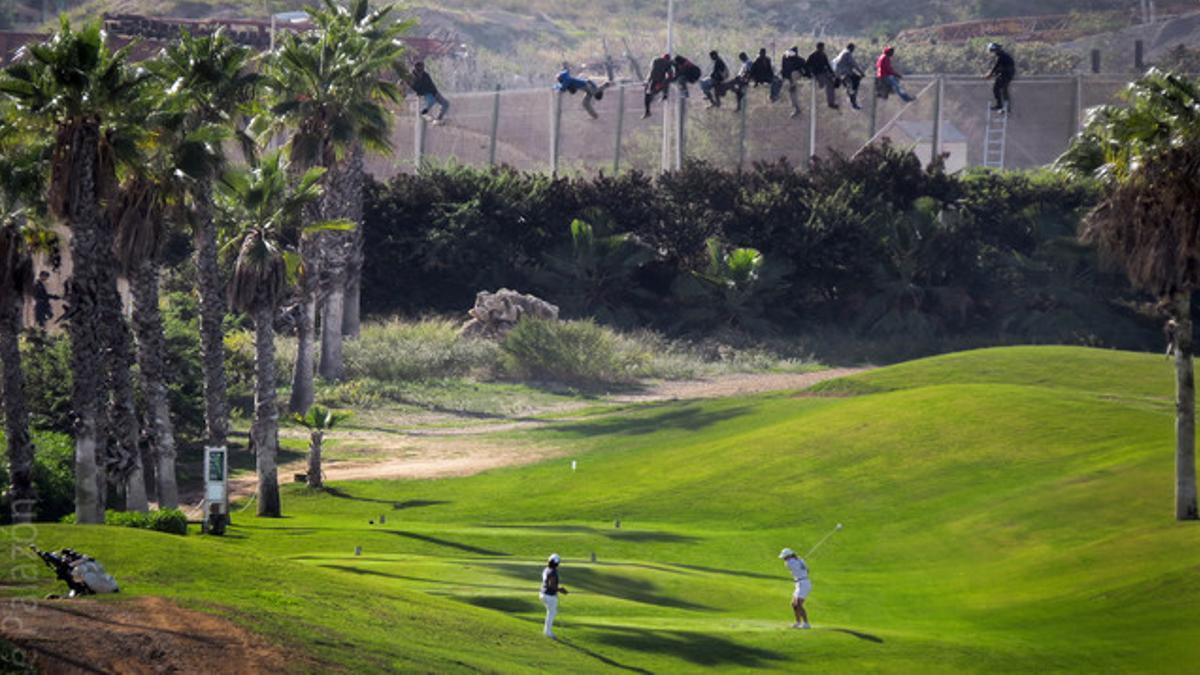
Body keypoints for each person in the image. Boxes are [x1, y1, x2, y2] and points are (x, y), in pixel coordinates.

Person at [779, 548, 812, 629]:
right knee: (793, 604)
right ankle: (798, 622)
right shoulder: (799, 560)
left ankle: (806, 623)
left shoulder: (788, 563)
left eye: (785, 557)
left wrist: (800, 562)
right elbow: (808, 570)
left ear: (789, 556)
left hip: (803, 583)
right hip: (799, 583)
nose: (783, 558)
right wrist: (801, 562)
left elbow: (805, 570)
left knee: (799, 604)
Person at [540, 553, 569, 639]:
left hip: (542, 593)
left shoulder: (546, 569)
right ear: (557, 563)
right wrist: (560, 589)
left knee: (552, 612)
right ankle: (547, 632)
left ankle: (547, 631)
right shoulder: (553, 572)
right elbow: (551, 585)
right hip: (549, 595)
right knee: (551, 612)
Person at [833, 43, 865, 110]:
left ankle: (852, 96)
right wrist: (861, 72)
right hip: (844, 73)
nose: (853, 50)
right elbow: (854, 64)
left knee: (851, 84)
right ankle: (853, 95)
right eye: (853, 48)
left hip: (840, 73)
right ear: (850, 48)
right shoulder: (847, 53)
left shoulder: (843, 52)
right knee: (856, 80)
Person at [985, 42, 1016, 113]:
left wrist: (990, 74)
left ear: (996, 50)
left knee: (996, 88)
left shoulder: (1001, 56)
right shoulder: (1003, 55)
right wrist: (994, 73)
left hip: (1006, 74)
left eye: (992, 51)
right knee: (1003, 90)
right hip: (1007, 74)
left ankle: (1000, 105)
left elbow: (996, 66)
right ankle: (1005, 108)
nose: (992, 52)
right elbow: (999, 67)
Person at [643, 53, 674, 119]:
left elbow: (651, 72)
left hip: (653, 81)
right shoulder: (668, 63)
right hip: (657, 82)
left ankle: (648, 111)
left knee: (648, 95)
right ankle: (664, 95)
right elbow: (670, 77)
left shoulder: (655, 60)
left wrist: (647, 81)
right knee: (650, 94)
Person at [807, 42, 838, 109]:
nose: (822, 48)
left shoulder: (823, 55)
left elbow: (827, 65)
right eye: (821, 47)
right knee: (830, 84)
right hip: (817, 74)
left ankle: (831, 102)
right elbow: (807, 65)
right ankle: (830, 103)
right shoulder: (813, 55)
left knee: (831, 83)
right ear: (818, 47)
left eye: (823, 47)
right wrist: (811, 73)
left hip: (823, 73)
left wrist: (833, 74)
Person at [780, 47, 808, 117]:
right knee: (792, 94)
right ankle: (797, 108)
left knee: (793, 75)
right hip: (789, 79)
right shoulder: (785, 59)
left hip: (796, 75)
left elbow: (806, 69)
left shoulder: (800, 60)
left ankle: (792, 85)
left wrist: (802, 73)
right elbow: (783, 69)